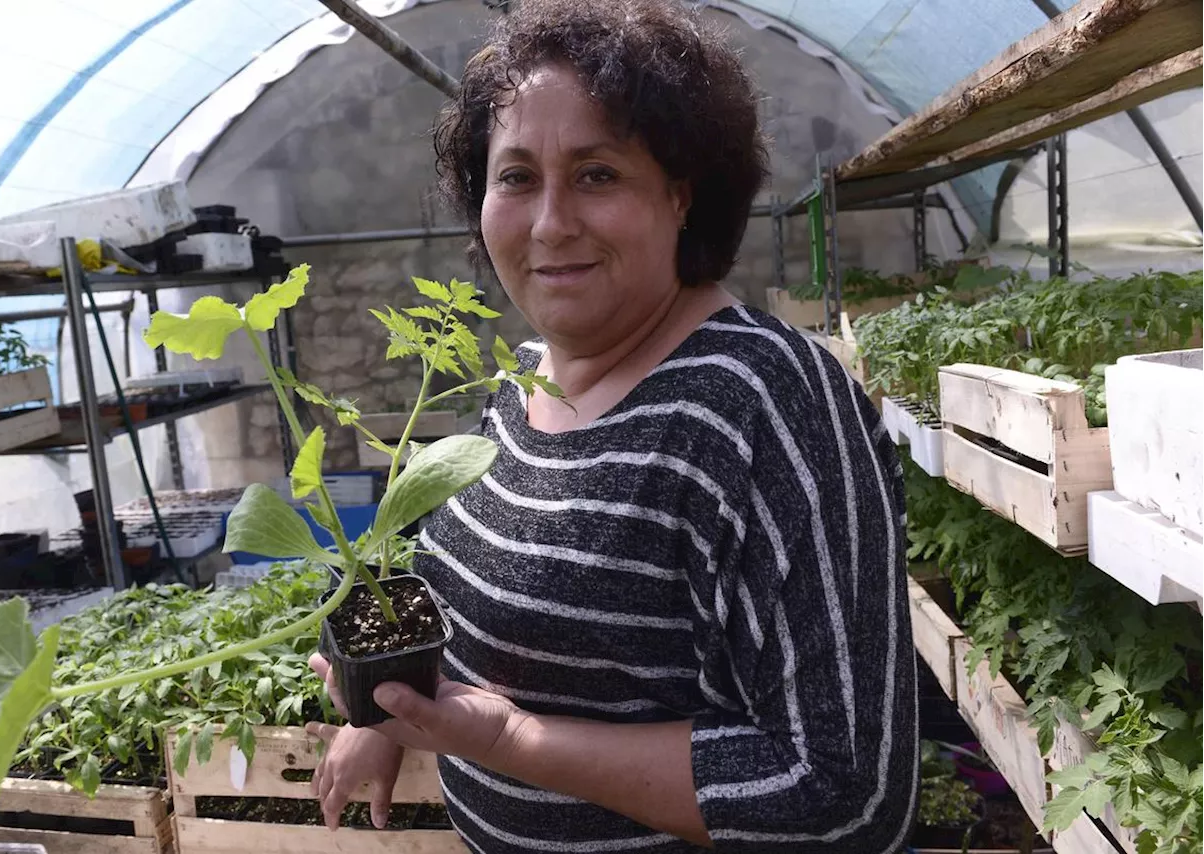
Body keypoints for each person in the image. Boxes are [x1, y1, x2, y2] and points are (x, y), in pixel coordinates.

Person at [304, 0, 918, 850]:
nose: (551, 223)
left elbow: (841, 794)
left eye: (598, 174)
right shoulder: (519, 376)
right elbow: (471, 589)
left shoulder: (765, 405)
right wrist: (387, 712)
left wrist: (506, 742)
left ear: (681, 193)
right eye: (516, 177)